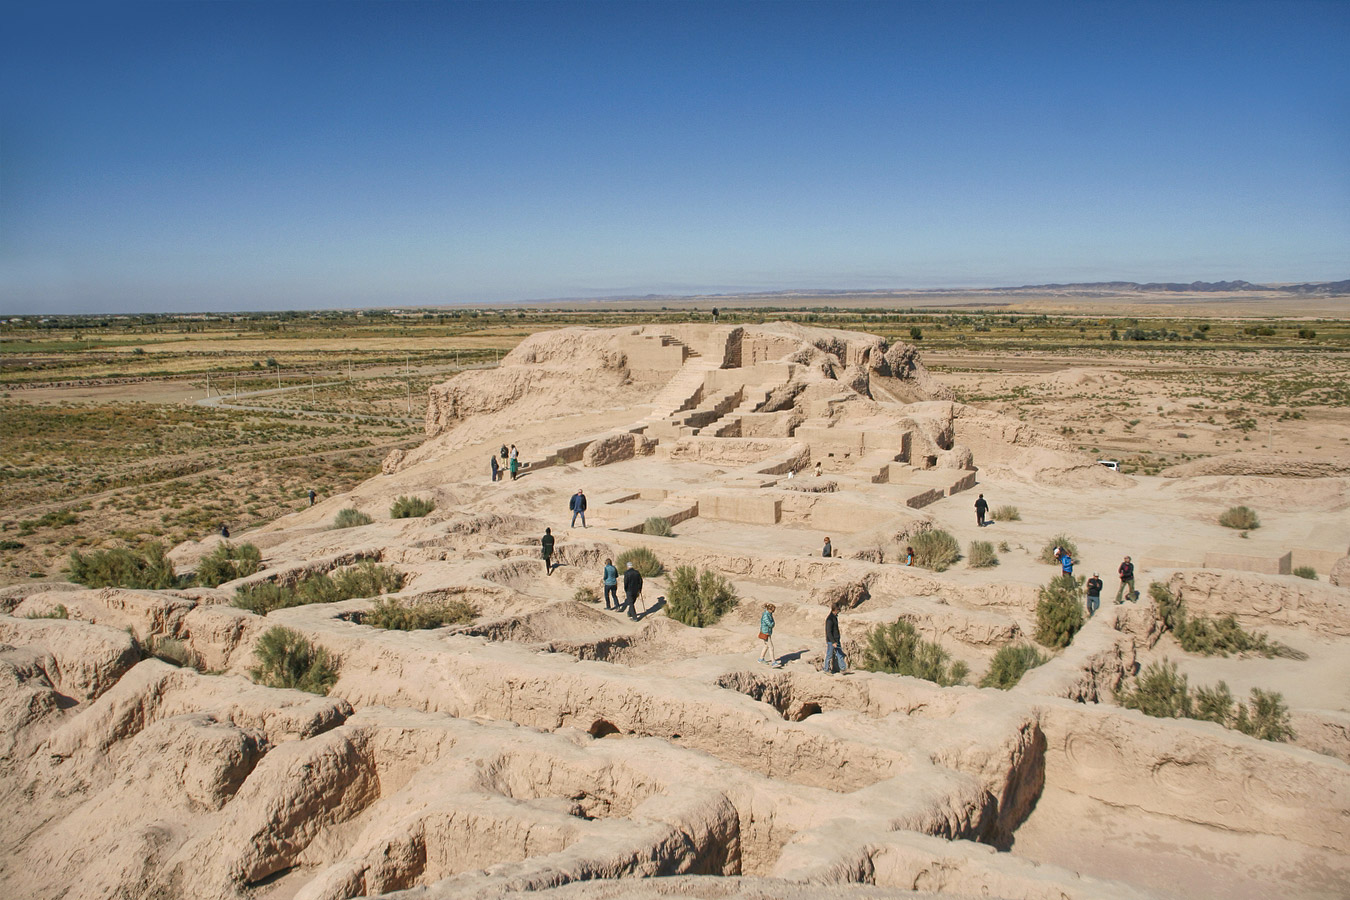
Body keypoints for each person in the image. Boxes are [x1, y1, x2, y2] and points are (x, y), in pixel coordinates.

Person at [824, 602, 847, 674]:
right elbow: (829, 632)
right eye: (838, 610)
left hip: (836, 640)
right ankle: (826, 669)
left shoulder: (834, 617)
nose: (839, 612)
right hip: (832, 641)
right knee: (829, 655)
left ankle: (843, 669)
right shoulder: (829, 619)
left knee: (840, 654)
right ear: (835, 610)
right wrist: (833, 642)